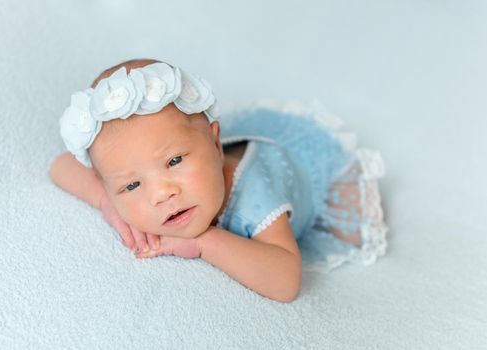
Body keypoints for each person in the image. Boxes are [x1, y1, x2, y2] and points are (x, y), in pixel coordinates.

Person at [49, 58, 388, 303]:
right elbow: (61, 166)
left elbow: (286, 281)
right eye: (131, 185)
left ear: (214, 143)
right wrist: (107, 201)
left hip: (301, 171)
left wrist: (204, 243)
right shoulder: (125, 183)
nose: (162, 193)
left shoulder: (257, 200)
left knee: (348, 217)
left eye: (174, 161)